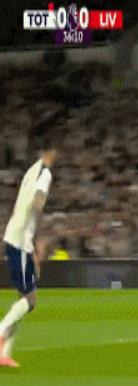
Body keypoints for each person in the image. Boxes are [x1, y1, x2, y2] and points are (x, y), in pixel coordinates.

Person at [0, 146, 57, 368]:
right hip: (21, 242)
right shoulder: (45, 172)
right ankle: (0, 331)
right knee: (30, 300)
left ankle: (4, 353)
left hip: (14, 239)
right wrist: (36, 242)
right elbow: (37, 202)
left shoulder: (31, 170)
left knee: (21, 298)